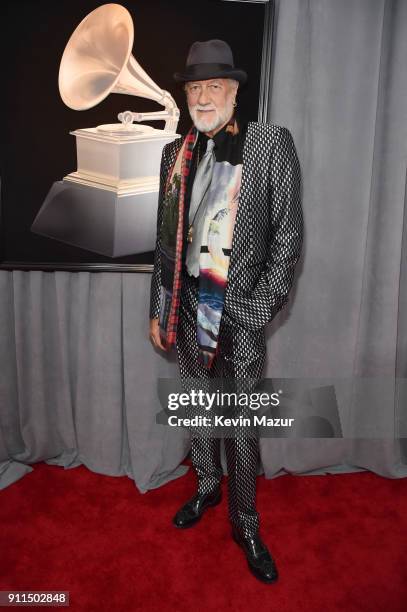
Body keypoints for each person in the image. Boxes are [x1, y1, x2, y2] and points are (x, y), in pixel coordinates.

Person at [149, 39, 303, 584]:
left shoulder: (270, 144)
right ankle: (206, 488)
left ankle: (246, 521)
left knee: (240, 424)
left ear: (235, 92)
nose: (204, 97)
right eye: (195, 88)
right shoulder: (175, 153)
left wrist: (259, 310)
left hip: (239, 311)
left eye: (215, 86)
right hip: (188, 303)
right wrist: (159, 306)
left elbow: (287, 240)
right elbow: (166, 243)